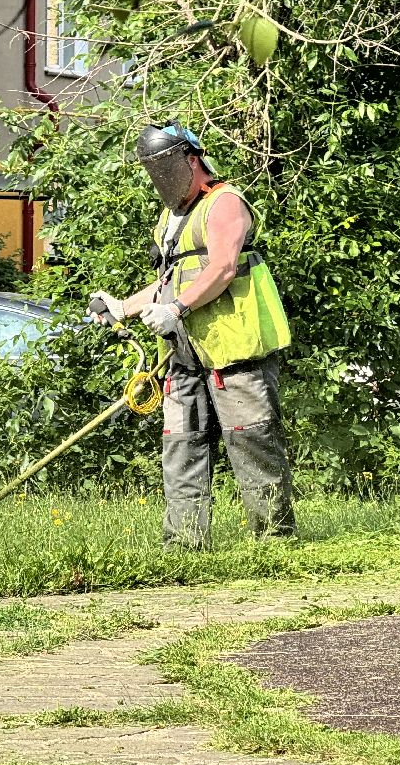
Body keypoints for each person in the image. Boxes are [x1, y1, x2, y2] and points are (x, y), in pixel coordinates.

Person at [91, 123, 294, 549]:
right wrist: (122, 307)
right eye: (153, 171)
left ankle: (275, 542)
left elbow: (220, 269)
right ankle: (184, 546)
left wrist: (176, 309)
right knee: (181, 447)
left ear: (191, 160)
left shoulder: (224, 203)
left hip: (235, 348)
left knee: (252, 442)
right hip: (183, 353)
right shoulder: (171, 217)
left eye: (165, 167)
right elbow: (169, 281)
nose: (160, 179)